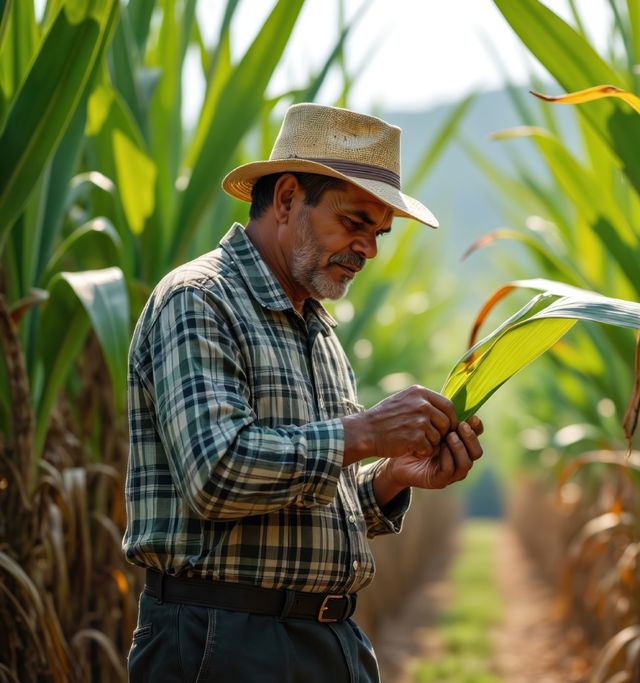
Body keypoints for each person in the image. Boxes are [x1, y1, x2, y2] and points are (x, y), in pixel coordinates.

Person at [122, 103, 484, 682]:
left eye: (379, 233)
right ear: (287, 198)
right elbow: (215, 474)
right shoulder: (198, 300)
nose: (368, 248)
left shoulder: (317, 329)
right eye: (355, 222)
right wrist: (364, 432)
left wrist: (392, 476)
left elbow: (309, 514)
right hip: (220, 642)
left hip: (327, 641)